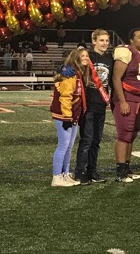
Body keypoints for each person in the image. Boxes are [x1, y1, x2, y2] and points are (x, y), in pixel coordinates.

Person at [74, 29, 112, 185]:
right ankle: (79, 172)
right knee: (86, 140)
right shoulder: (86, 56)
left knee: (96, 141)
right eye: (101, 40)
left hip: (101, 105)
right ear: (94, 41)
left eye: (107, 40)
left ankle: (92, 171)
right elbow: (70, 66)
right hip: (88, 105)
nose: (104, 43)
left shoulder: (110, 58)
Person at [112, 28, 140, 182]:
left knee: (132, 134)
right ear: (131, 40)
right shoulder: (126, 52)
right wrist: (122, 101)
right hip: (127, 98)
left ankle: (127, 168)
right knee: (124, 134)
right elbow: (116, 78)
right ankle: (120, 171)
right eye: (139, 37)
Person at [50, 47, 89, 187]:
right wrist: (67, 117)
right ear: (76, 59)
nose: (86, 58)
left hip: (72, 115)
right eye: (83, 56)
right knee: (63, 146)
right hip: (63, 115)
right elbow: (65, 97)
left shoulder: (78, 73)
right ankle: (56, 177)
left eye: (86, 56)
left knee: (69, 146)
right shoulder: (69, 74)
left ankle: (65, 174)